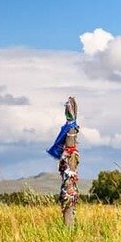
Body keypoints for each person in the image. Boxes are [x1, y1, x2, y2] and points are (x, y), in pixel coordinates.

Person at [46, 96, 80, 226]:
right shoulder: (69, 128)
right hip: (68, 162)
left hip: (70, 163)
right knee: (67, 196)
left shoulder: (71, 128)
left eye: (68, 108)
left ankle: (69, 227)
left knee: (69, 196)